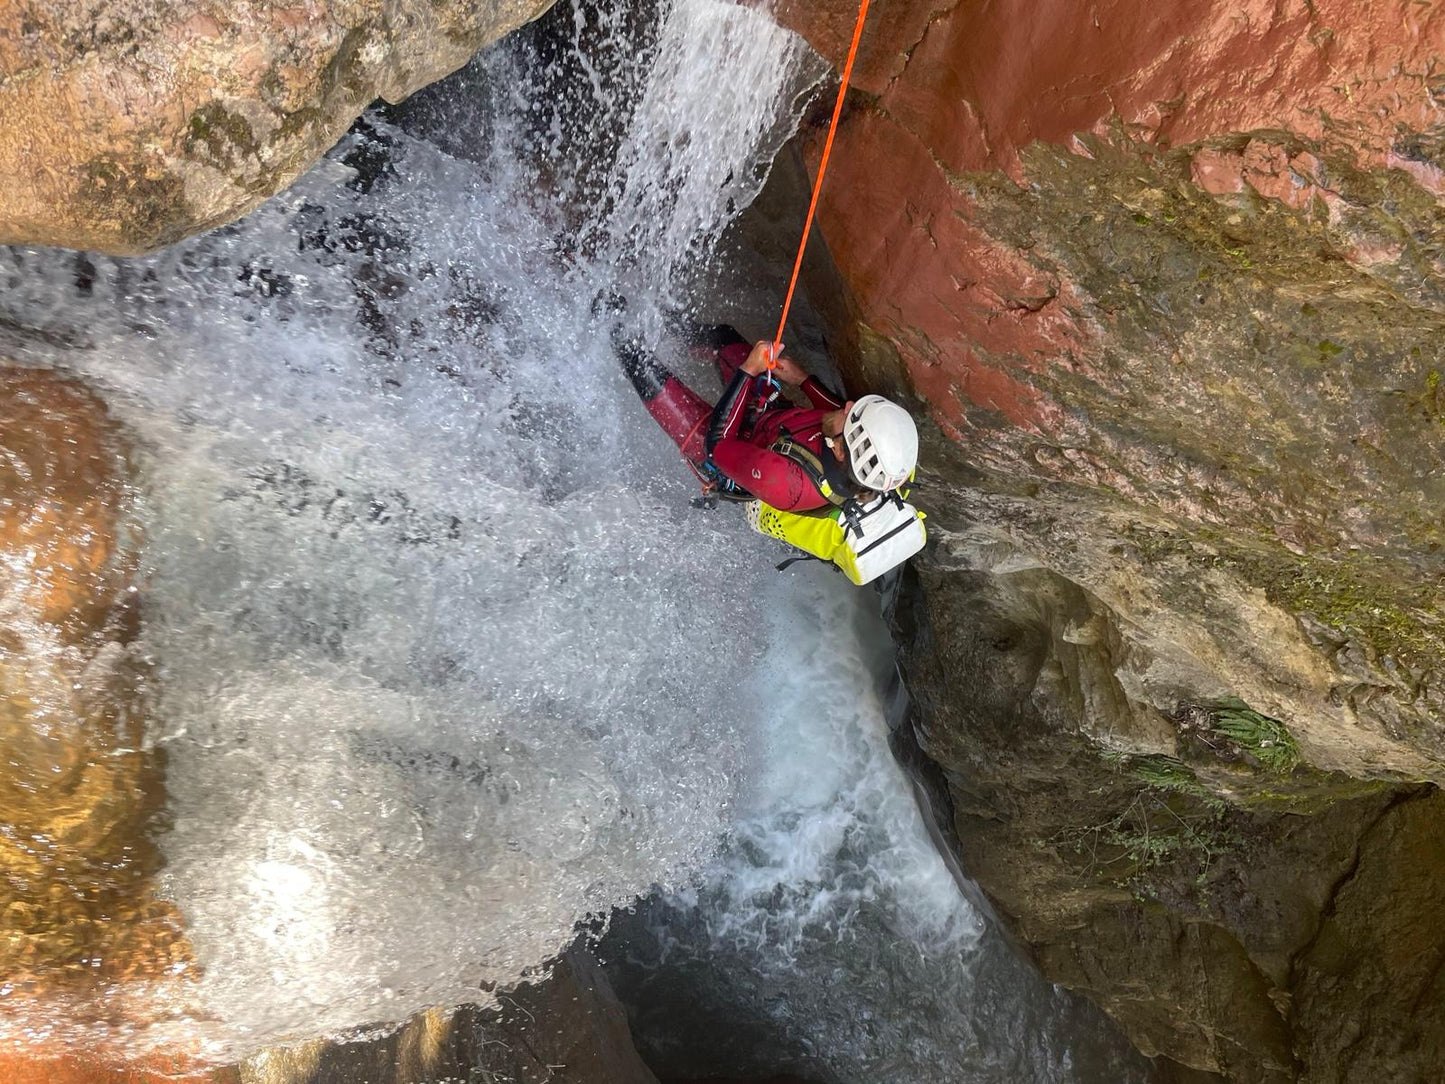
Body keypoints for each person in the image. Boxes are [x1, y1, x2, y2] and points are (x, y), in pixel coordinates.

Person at [615, 323, 918, 509]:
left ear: (839, 450)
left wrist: (749, 369)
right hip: (774, 422)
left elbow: (717, 444)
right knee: (723, 337)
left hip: (723, 450)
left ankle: (609, 324)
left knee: (641, 368)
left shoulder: (784, 482)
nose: (848, 405)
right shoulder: (847, 444)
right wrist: (802, 379)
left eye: (850, 415)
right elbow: (837, 407)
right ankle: (661, 325)